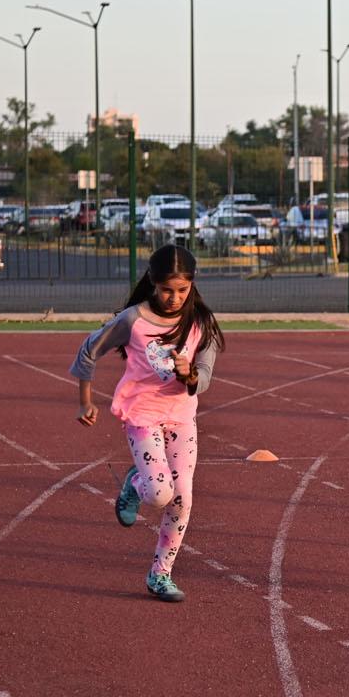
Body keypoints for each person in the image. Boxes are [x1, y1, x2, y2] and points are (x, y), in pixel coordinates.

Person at [71, 245, 223, 603]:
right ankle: (135, 482)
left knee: (182, 498)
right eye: (167, 290)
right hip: (142, 415)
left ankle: (160, 575)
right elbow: (89, 349)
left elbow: (205, 375)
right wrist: (85, 401)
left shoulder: (201, 322)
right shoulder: (133, 320)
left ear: (192, 285)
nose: (174, 298)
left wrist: (189, 376)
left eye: (182, 291)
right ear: (153, 284)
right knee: (158, 493)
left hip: (182, 417)